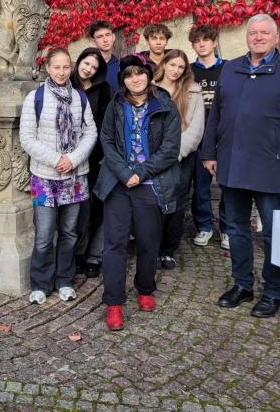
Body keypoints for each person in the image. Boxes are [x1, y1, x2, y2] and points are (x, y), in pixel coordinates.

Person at [201, 14, 280, 319]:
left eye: (265, 33)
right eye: (253, 33)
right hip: (232, 164)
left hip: (273, 169)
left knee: (275, 234)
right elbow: (215, 114)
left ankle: (273, 291)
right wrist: (209, 152)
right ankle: (243, 284)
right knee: (236, 228)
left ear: (277, 38)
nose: (258, 37)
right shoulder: (231, 69)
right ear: (247, 37)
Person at [95, 55, 182, 330]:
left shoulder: (165, 105)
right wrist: (124, 173)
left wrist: (141, 173)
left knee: (148, 241)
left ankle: (145, 288)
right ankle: (114, 303)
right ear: (123, 80)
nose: (135, 79)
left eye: (140, 73)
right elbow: (107, 140)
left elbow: (170, 149)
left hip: (150, 184)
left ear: (148, 74)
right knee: (114, 243)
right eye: (129, 75)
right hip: (118, 184)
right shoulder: (115, 105)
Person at [19, 48, 97, 305]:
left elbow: (90, 133)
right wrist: (56, 160)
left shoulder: (79, 97)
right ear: (48, 68)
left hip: (75, 178)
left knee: (69, 233)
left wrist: (72, 159)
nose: (62, 72)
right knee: (44, 235)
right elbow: (27, 137)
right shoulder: (36, 97)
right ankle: (40, 283)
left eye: (66, 67)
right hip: (44, 177)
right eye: (57, 67)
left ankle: (65, 280)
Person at [154, 49, 205, 269]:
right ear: (164, 64)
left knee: (176, 203)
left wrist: (174, 154)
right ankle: (151, 246)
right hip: (153, 157)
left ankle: (168, 249)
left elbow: (196, 129)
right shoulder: (151, 89)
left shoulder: (193, 91)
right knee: (153, 202)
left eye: (181, 67)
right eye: (172, 65)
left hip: (181, 157)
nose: (175, 70)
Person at [71, 47, 112, 278]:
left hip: (95, 157)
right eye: (86, 63)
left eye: (94, 67)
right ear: (79, 62)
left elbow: (106, 124)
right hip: (68, 158)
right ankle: (77, 254)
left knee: (95, 207)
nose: (88, 69)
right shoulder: (67, 85)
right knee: (76, 210)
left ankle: (92, 256)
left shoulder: (103, 90)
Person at [188, 24, 228, 249]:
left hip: (224, 134)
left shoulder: (229, 69)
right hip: (199, 134)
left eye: (206, 40)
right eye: (197, 41)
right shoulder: (189, 70)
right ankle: (204, 226)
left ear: (214, 42)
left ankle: (228, 228)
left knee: (228, 184)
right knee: (201, 184)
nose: (201, 44)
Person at [89, 20, 120, 94]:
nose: (105, 40)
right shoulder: (88, 66)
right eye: (100, 37)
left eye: (108, 35)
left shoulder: (120, 65)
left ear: (113, 37)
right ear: (93, 41)